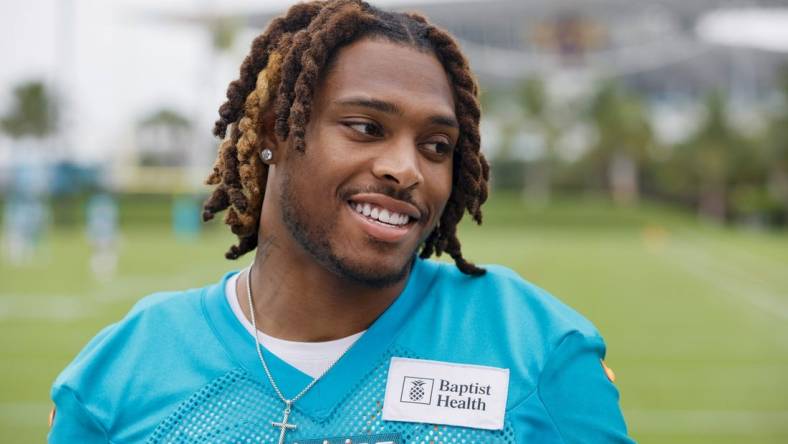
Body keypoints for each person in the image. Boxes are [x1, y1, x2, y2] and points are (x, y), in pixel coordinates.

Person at [49, 1, 633, 442]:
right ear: (278, 130)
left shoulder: (536, 348)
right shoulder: (118, 377)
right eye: (365, 128)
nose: (406, 169)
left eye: (436, 146)